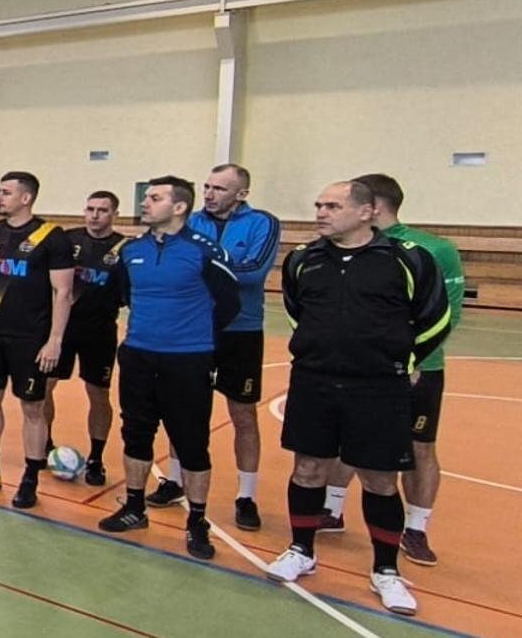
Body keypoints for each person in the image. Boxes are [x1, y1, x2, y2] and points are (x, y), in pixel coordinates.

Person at [265, 180, 449, 617]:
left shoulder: (408, 260)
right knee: (308, 469)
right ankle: (301, 550)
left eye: (333, 206)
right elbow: (297, 311)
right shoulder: (303, 259)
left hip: (379, 387)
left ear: (366, 212)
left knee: (380, 480)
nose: (321, 212)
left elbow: (435, 318)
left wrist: (402, 360)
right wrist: (319, 348)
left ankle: (385, 570)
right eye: (318, 205)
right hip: (314, 381)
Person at [320, 173, 465, 567]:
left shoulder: (433, 249)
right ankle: (331, 509)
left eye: (340, 203)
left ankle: (415, 529)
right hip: (357, 369)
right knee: (344, 439)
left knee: (419, 447)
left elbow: (447, 314)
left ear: (372, 207)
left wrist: (410, 360)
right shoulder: (340, 249)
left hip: (418, 370)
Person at [95, 177, 239, 561]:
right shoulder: (131, 250)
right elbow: (122, 295)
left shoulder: (205, 250)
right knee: (136, 434)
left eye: (155, 198)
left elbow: (229, 305)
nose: (145, 203)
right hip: (139, 356)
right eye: (146, 197)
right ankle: (134, 507)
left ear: (179, 207)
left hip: (188, 361)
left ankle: (197, 521)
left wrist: (192, 338)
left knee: (191, 442)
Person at [160, 164, 280, 530]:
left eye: (220, 189)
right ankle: (175, 480)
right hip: (193, 329)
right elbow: (172, 264)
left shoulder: (262, 223)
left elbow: (254, 273)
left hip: (242, 330)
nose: (210, 194)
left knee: (243, 414)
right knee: (182, 408)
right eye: (207, 187)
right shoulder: (191, 220)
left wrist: (200, 266)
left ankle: (246, 496)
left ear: (241, 194)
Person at [0, 171, 73, 508]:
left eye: (6, 192)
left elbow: (63, 292)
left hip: (31, 337)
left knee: (33, 407)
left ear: (26, 198)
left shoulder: (51, 238)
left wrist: (55, 340)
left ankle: (30, 478)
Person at [52, 190, 127, 486]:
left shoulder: (124, 248)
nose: (94, 215)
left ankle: (96, 458)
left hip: (99, 331)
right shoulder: (67, 240)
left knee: (98, 394)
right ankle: (44, 443)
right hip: (62, 328)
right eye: (90, 209)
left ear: (114, 214)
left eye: (102, 210)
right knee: (44, 388)